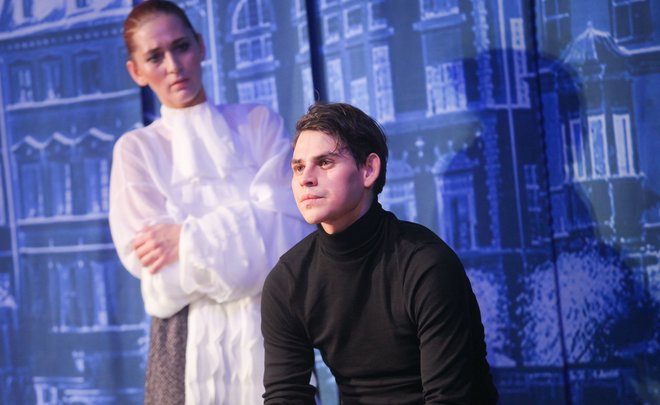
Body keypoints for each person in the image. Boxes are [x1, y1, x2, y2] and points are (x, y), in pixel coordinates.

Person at [108, 1, 309, 404]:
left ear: (200, 46)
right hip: (181, 347)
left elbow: (292, 241)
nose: (173, 66)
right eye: (154, 57)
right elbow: (158, 280)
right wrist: (252, 227)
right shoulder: (137, 150)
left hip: (273, 337)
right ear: (136, 72)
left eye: (181, 46)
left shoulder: (258, 123)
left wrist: (185, 240)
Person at [261, 102, 499, 404]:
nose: (306, 178)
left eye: (325, 162)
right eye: (298, 167)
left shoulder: (426, 263)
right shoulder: (288, 280)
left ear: (368, 169)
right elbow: (285, 396)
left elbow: (449, 398)